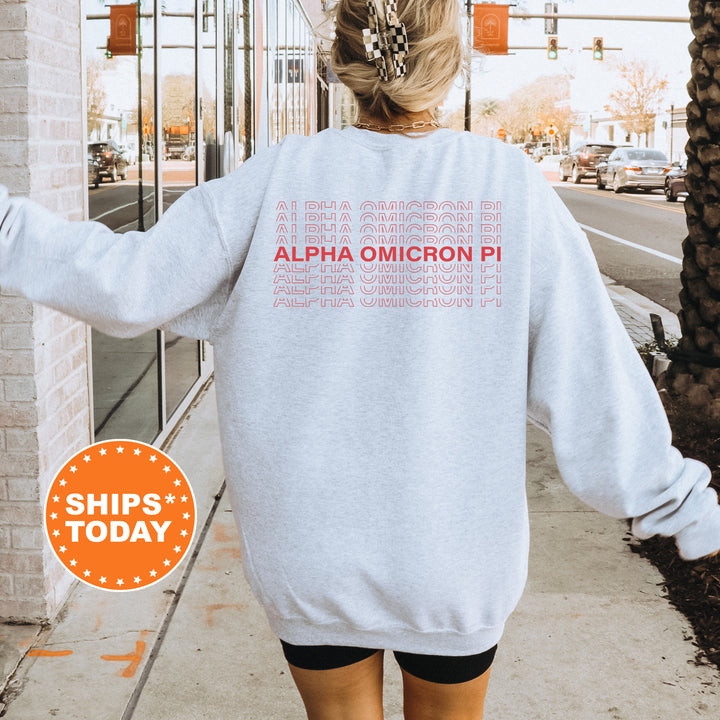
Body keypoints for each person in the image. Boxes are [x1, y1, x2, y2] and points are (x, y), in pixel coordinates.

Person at [1, 0, 719, 718]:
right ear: (450, 62)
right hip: (455, 549)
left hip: (310, 543)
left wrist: (8, 225)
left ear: (338, 62)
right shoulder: (506, 186)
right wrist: (670, 497)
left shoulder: (278, 179)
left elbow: (129, 283)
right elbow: (590, 368)